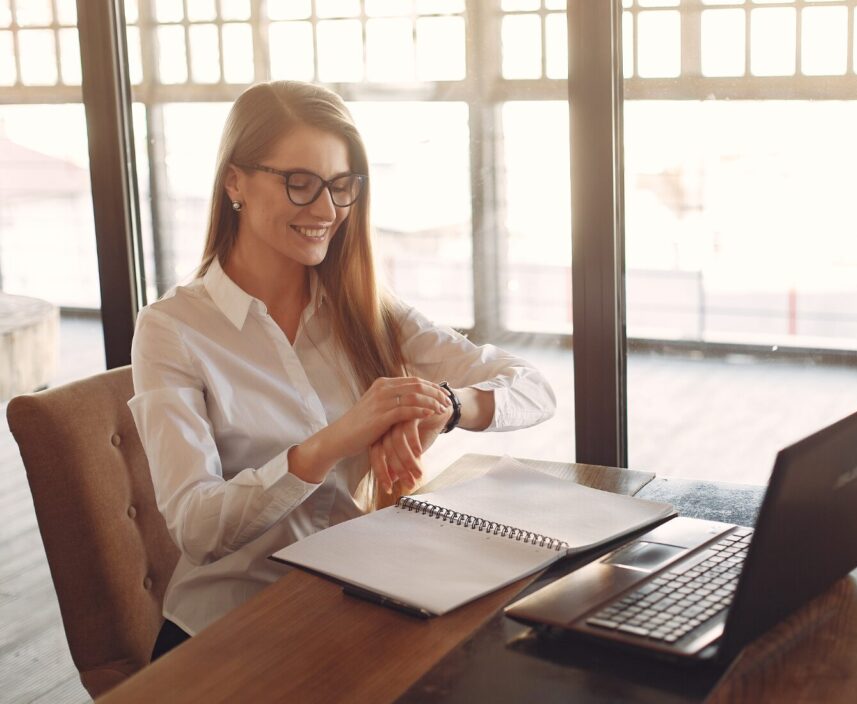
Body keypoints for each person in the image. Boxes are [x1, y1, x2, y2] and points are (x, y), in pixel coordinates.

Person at [128, 80, 556, 660]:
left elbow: (532, 386)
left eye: (339, 186)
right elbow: (197, 529)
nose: (326, 211)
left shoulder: (364, 309)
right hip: (225, 634)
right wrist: (334, 441)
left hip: (352, 602)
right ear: (235, 181)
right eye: (299, 183)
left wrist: (445, 406)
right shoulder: (172, 329)